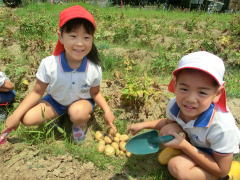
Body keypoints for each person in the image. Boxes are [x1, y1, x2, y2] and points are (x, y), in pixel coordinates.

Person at [3, 5, 116, 143]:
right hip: (56, 101)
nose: (80, 43)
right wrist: (16, 115)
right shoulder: (49, 64)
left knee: (78, 113)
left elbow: (96, 93)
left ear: (92, 39)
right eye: (73, 36)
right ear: (60, 37)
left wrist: (107, 110)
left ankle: (79, 124)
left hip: (82, 102)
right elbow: (37, 92)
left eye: (86, 37)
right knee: (27, 119)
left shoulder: (93, 68)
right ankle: (58, 116)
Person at [128, 51, 240, 180]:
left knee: (177, 168)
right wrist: (142, 125)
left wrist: (184, 146)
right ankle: (183, 151)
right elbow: (167, 122)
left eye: (202, 92)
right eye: (184, 89)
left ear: (218, 94)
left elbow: (220, 170)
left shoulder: (221, 128)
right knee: (168, 129)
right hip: (194, 143)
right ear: (175, 85)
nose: (190, 99)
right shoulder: (174, 105)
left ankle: (232, 173)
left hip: (216, 156)